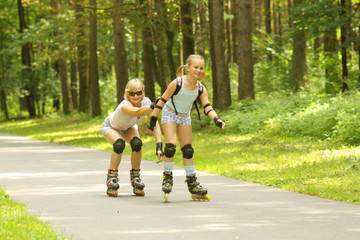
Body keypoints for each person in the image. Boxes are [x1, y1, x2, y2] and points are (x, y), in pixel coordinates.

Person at [146, 54, 225, 201]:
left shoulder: (200, 88)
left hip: (184, 116)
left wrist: (217, 119)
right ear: (187, 68)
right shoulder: (177, 83)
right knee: (170, 147)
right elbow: (162, 101)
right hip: (170, 113)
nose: (198, 70)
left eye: (201, 68)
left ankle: (192, 182)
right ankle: (167, 177)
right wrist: (153, 119)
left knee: (188, 150)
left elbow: (207, 107)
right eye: (195, 67)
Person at [101, 78, 163, 197]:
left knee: (137, 144)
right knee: (119, 144)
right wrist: (153, 106)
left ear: (143, 91)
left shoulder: (146, 102)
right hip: (111, 127)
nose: (136, 96)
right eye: (132, 93)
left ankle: (136, 177)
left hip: (128, 127)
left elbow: (154, 123)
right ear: (127, 93)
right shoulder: (125, 105)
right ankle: (111, 178)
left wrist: (159, 146)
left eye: (139, 93)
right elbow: (138, 112)